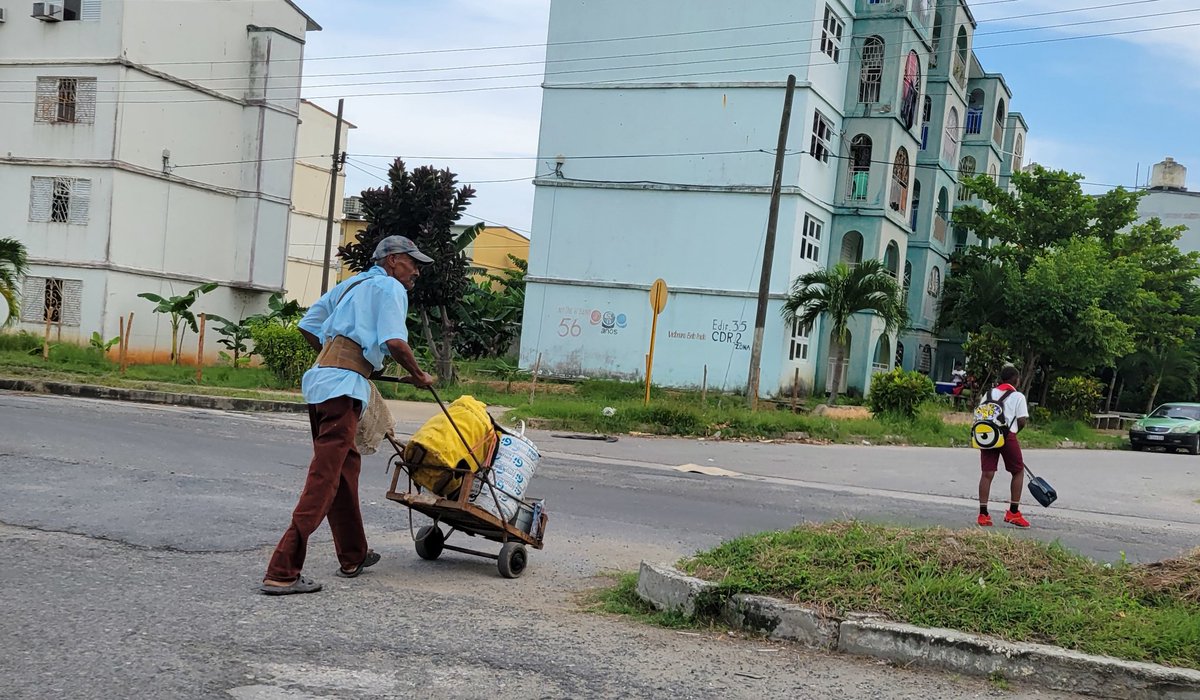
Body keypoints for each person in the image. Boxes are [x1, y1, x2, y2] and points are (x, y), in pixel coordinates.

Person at [260, 235, 436, 595]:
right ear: (392, 260)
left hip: (321, 383)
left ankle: (353, 555)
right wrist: (419, 375)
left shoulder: (350, 285)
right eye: (412, 262)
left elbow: (308, 325)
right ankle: (282, 570)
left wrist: (339, 357)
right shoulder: (390, 287)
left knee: (344, 470)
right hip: (341, 389)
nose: (416, 271)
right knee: (324, 478)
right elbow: (394, 342)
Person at [977, 364, 1031, 528]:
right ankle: (1013, 512)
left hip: (987, 436)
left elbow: (980, 415)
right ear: (1016, 380)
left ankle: (983, 514)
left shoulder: (988, 394)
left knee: (987, 473)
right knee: (1018, 471)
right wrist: (1013, 432)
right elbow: (1022, 421)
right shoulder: (1018, 396)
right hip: (1007, 436)